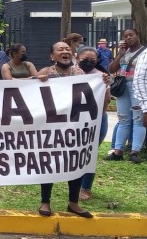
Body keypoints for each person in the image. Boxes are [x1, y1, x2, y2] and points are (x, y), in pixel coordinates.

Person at [35, 41, 107, 219]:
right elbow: (32, 96)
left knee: (76, 161)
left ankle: (73, 203)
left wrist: (103, 84)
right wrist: (38, 81)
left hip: (75, 127)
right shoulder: (45, 72)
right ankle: (45, 201)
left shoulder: (81, 73)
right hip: (52, 127)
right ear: (53, 55)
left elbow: (101, 102)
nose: (65, 51)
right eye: (60, 49)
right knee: (49, 161)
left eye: (67, 49)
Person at [105, 28, 145, 163]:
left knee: (138, 119)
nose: (128, 38)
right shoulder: (124, 52)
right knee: (123, 119)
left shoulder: (144, 52)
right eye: (125, 36)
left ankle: (135, 152)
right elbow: (111, 69)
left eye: (131, 35)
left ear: (137, 36)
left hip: (138, 88)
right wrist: (120, 55)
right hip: (123, 89)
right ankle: (118, 151)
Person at [77, 46, 111, 201]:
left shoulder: (101, 77)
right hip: (74, 119)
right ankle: (74, 183)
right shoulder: (69, 73)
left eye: (92, 60)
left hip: (96, 119)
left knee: (90, 152)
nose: (89, 62)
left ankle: (85, 187)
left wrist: (98, 117)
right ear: (77, 58)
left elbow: (107, 99)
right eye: (85, 59)